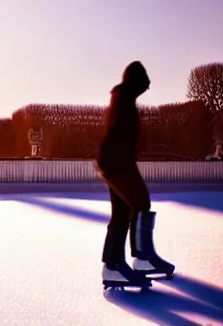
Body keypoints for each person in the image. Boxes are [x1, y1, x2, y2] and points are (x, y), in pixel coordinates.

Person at [96, 61, 175, 289]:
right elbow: (117, 133)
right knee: (141, 202)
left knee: (123, 212)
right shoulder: (123, 97)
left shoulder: (123, 97)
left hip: (115, 161)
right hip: (117, 162)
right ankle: (142, 259)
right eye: (145, 83)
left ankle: (113, 266)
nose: (147, 88)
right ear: (136, 81)